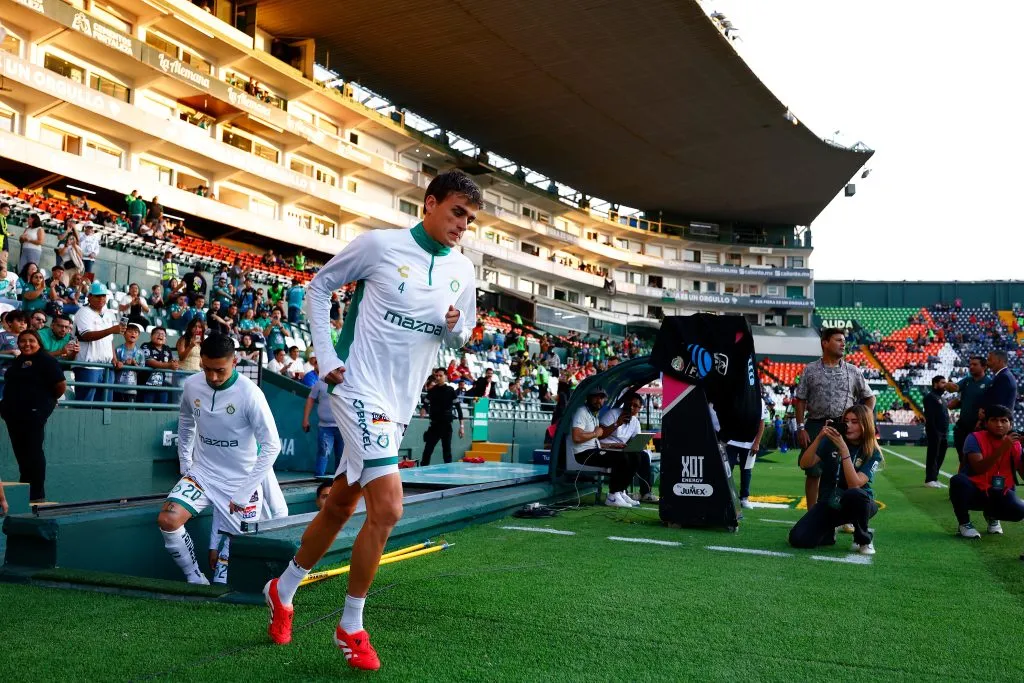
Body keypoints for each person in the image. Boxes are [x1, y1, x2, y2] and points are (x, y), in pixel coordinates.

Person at [263, 169, 480, 670]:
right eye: (456, 212)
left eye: (469, 218)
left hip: (400, 404)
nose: (462, 224)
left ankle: (283, 587)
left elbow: (460, 336)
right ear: (430, 204)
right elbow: (320, 288)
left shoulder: (463, 271)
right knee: (388, 509)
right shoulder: (380, 245)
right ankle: (351, 625)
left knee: (341, 505)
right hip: (356, 385)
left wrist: (453, 328)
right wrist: (323, 355)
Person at [157, 333, 281, 585]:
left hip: (241, 482)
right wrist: (185, 460)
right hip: (203, 474)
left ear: (234, 362)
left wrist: (245, 491)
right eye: (207, 369)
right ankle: (195, 579)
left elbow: (272, 445)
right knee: (168, 519)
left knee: (243, 562)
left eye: (220, 370)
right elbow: (185, 421)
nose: (212, 377)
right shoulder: (192, 385)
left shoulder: (250, 394)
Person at [793, 328, 874, 508]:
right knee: (812, 471)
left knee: (843, 471)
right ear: (825, 343)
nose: (843, 344)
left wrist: (862, 420)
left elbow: (870, 397)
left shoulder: (853, 371)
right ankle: (812, 514)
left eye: (844, 340)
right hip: (815, 424)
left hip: (844, 425)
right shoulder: (810, 369)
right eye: (838, 340)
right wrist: (800, 427)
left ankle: (844, 514)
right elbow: (800, 400)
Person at [788, 404, 883, 555]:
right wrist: (820, 437)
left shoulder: (871, 451)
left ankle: (863, 539)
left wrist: (844, 450)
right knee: (799, 539)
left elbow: (855, 484)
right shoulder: (832, 441)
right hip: (831, 501)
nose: (848, 425)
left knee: (855, 494)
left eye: (855, 422)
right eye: (846, 420)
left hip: (860, 504)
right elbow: (805, 464)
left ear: (866, 425)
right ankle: (829, 532)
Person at [0, 330, 66, 501]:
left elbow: (60, 386)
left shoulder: (46, 360)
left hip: (34, 412)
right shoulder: (19, 360)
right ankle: (25, 488)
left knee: (33, 451)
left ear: (38, 342)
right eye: (22, 341)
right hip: (13, 412)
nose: (26, 344)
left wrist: (45, 402)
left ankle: (36, 494)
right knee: (21, 451)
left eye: (31, 341)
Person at [948, 404, 1024, 539]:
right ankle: (964, 523)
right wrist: (1002, 448)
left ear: (1011, 425)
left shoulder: (1016, 444)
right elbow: (979, 468)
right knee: (958, 481)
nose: (999, 424)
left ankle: (992, 515)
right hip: (976, 490)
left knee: (1019, 511)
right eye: (994, 420)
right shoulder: (974, 438)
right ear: (986, 423)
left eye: (1004, 421)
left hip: (1001, 490)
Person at [571, 386, 637, 508]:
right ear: (589, 397)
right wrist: (596, 433)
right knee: (621, 457)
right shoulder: (582, 412)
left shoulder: (593, 415)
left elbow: (594, 440)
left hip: (593, 450)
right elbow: (577, 437)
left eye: (602, 398)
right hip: (583, 454)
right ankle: (612, 496)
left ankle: (620, 491)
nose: (599, 400)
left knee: (633, 455)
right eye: (596, 397)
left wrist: (611, 445)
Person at [599, 392, 658, 503]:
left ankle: (645, 492)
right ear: (625, 403)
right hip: (605, 447)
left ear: (639, 408)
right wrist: (617, 423)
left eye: (635, 406)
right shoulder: (613, 414)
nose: (631, 407)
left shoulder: (635, 421)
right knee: (627, 457)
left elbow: (635, 440)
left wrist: (638, 444)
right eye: (629, 404)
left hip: (621, 449)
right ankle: (617, 492)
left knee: (643, 456)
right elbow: (600, 435)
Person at [72, 282, 124, 402]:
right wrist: (111, 329)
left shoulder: (109, 314)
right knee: (85, 404)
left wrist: (114, 358)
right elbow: (86, 335)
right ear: (89, 296)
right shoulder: (83, 312)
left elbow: (109, 340)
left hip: (106, 367)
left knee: (104, 406)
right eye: (97, 295)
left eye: (103, 296)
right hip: (87, 366)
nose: (101, 298)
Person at [721, 398, 767, 508]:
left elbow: (762, 422)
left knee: (746, 471)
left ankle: (744, 498)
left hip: (749, 443)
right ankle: (725, 496)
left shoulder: (759, 400)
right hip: (731, 441)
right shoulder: (734, 395)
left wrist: (757, 443)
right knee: (726, 469)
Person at [304, 378, 346, 477]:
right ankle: (319, 480)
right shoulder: (320, 382)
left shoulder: (348, 382)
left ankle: (339, 482)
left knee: (342, 457)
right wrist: (305, 419)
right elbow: (311, 399)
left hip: (344, 427)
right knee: (323, 453)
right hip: (325, 427)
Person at [422, 368, 464, 466]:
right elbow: (425, 403)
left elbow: (458, 408)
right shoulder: (432, 391)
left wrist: (461, 427)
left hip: (446, 426)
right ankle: (422, 472)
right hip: (434, 426)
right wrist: (423, 409)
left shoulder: (450, 390)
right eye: (436, 375)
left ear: (445, 376)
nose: (438, 377)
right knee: (427, 451)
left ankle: (449, 474)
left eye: (440, 375)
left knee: (447, 451)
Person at [923, 375, 950, 488]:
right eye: (942, 382)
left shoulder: (941, 398)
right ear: (935, 384)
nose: (945, 385)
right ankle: (930, 479)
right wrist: (934, 431)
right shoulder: (930, 397)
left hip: (943, 432)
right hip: (935, 431)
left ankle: (935, 478)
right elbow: (930, 417)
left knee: (941, 454)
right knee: (933, 454)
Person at [141, 327, 177, 404]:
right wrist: (169, 365)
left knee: (162, 408)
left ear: (165, 339)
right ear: (151, 336)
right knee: (145, 409)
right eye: (157, 333)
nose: (160, 335)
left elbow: (171, 361)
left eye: (163, 334)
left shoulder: (167, 349)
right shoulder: (145, 346)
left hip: (162, 385)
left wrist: (174, 364)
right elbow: (150, 362)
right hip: (146, 384)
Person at [980, 350, 1017, 424]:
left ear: (999, 361)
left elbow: (998, 404)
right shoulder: (1003, 375)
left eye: (990, 360)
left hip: (998, 423)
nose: (987, 363)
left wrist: (985, 416)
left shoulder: (1004, 377)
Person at [112, 323, 146, 402]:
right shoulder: (118, 350)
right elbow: (113, 367)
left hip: (132, 389)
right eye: (130, 331)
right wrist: (124, 363)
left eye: (136, 332)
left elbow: (142, 370)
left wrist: (135, 364)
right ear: (124, 334)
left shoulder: (140, 352)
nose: (133, 333)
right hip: (117, 387)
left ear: (138, 336)